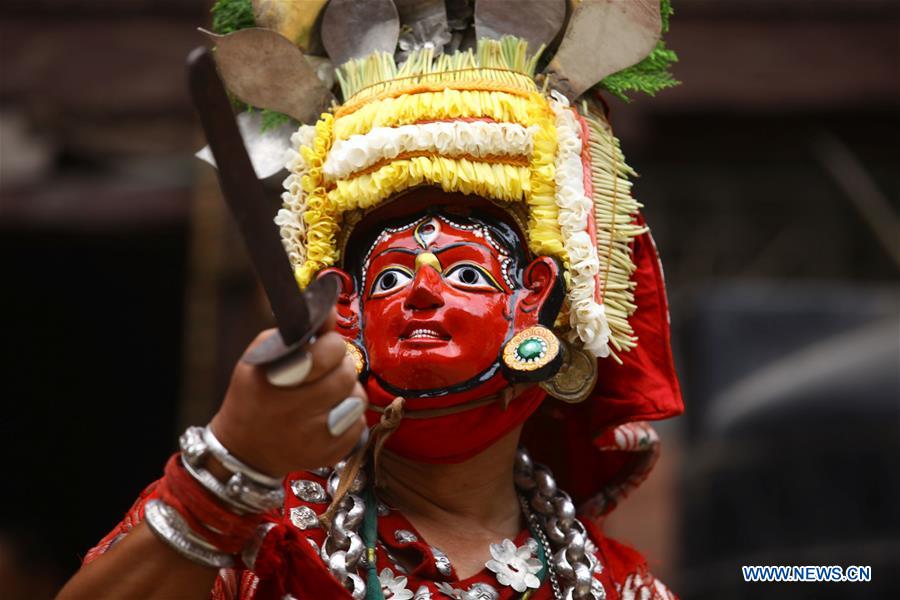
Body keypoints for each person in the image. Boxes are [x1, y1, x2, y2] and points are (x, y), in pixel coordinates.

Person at [58, 1, 683, 598]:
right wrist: (229, 471)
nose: (421, 294)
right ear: (348, 313)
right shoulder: (256, 541)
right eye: (388, 278)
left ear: (536, 298)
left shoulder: (611, 583)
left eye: (466, 275)